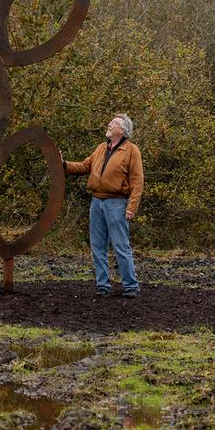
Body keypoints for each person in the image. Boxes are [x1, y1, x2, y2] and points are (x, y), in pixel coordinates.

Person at [61, 114, 144, 298]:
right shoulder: (100, 148)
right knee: (97, 246)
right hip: (97, 202)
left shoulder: (131, 150)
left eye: (113, 123)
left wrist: (132, 207)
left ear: (122, 130)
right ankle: (103, 285)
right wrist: (63, 165)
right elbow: (84, 166)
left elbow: (137, 181)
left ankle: (130, 286)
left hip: (117, 203)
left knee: (121, 245)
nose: (109, 124)